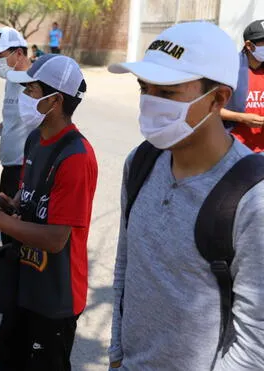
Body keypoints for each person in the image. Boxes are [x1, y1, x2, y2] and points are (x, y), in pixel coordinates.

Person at [107, 21, 264, 370]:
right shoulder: (141, 162)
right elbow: (126, 268)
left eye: (167, 93)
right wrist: (117, 356)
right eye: (144, 88)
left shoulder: (252, 197)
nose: (149, 103)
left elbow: (255, 345)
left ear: (218, 99)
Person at [0, 54, 97, 371]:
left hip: (56, 294)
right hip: (26, 281)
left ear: (55, 100)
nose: (24, 98)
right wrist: (16, 205)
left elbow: (56, 238)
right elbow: (33, 196)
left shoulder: (76, 156)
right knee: (8, 353)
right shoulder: (35, 138)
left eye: (31, 91)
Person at [0, 27, 33, 245]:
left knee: (18, 234)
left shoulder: (34, 83)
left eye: (0, 56)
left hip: (25, 171)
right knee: (6, 232)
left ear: (18, 53)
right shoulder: (11, 79)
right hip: (9, 168)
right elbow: (15, 117)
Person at [222, 20, 264, 152]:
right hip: (235, 150)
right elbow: (210, 109)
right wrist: (242, 118)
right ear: (249, 45)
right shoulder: (229, 70)